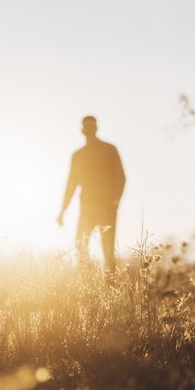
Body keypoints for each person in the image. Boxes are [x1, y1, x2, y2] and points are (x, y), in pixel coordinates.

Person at [57, 116, 125, 274]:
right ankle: (87, 282)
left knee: (108, 250)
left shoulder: (110, 150)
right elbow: (71, 185)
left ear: (96, 128)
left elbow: (121, 178)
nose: (89, 129)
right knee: (80, 245)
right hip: (86, 209)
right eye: (86, 126)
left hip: (107, 209)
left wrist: (115, 202)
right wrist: (62, 211)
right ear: (82, 130)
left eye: (91, 126)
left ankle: (110, 287)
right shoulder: (77, 156)